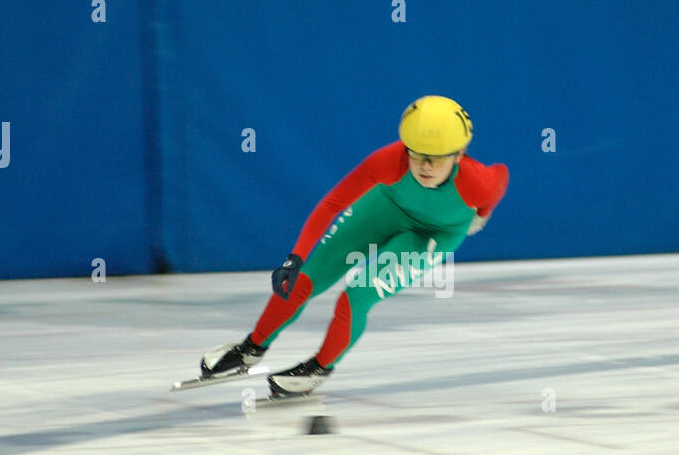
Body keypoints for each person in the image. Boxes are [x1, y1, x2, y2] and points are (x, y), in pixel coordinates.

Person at [198, 95, 509, 397]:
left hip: (433, 233)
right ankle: (252, 347)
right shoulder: (390, 161)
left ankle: (319, 367)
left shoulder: (476, 181)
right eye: (416, 153)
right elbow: (333, 202)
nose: (424, 166)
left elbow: (501, 176)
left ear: (459, 154)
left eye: (437, 157)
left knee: (356, 295)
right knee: (307, 278)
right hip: (384, 209)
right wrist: (296, 257)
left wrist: (482, 214)